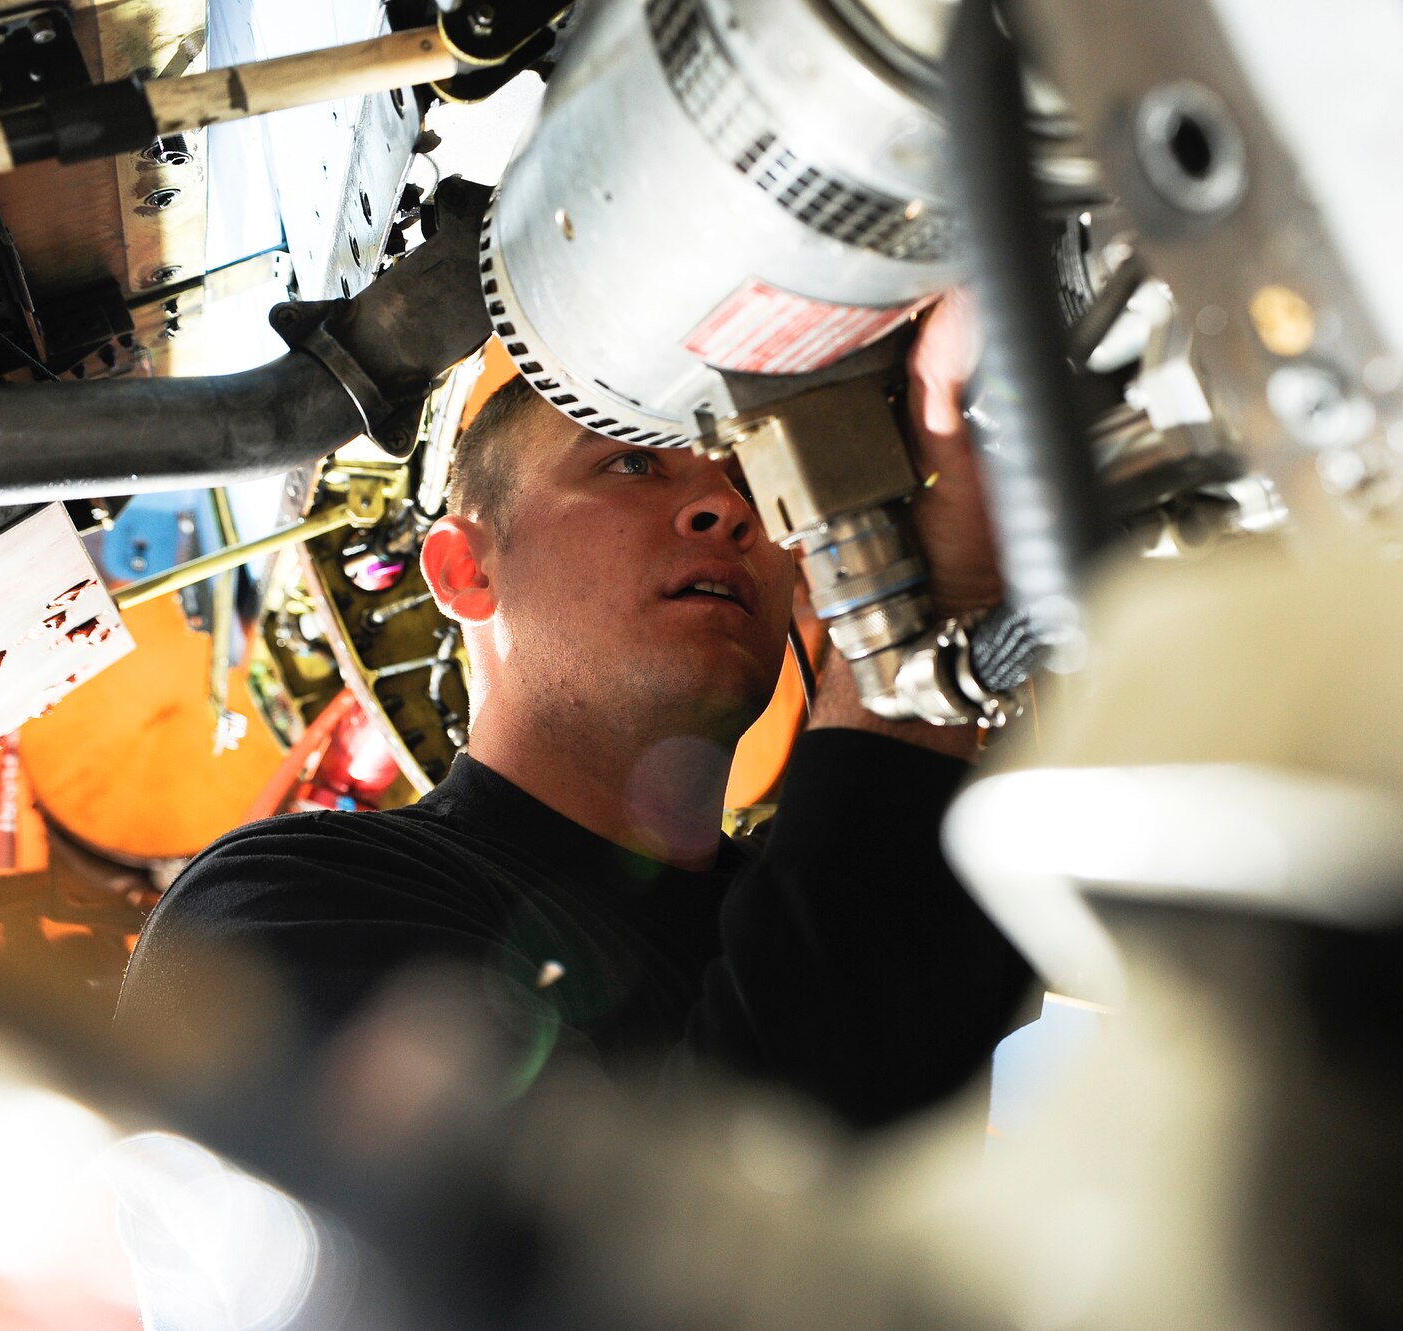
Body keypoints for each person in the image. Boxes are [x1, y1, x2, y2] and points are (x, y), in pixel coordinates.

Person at [113, 296, 1031, 1130]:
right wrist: (927, 607)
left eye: (754, 488)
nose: (724, 506)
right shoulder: (269, 916)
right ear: (465, 571)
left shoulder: (851, 895)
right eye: (630, 464)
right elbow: (676, 1253)